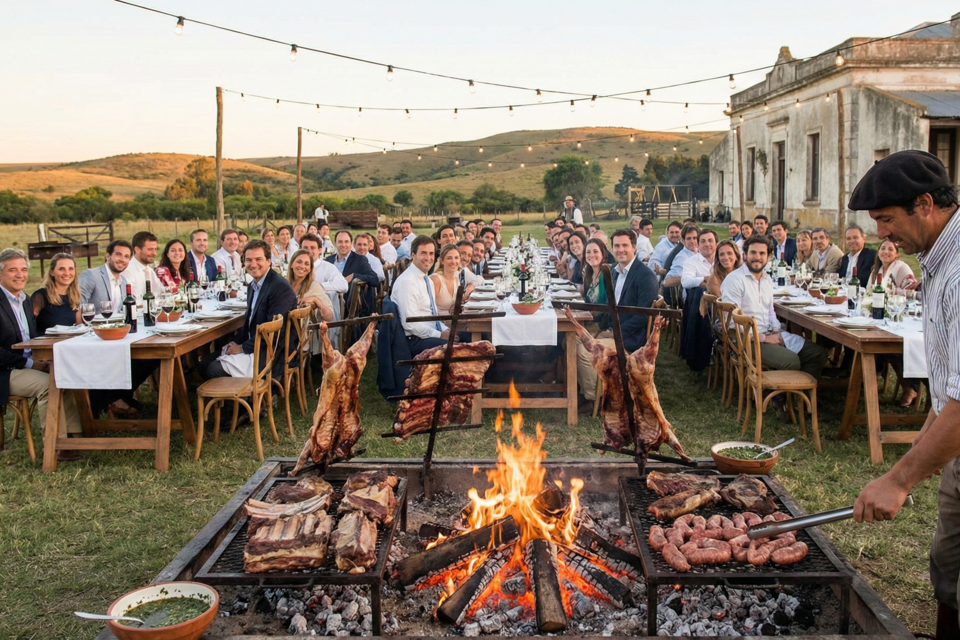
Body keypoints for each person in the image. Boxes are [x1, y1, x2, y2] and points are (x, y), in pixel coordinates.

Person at [845, 151, 960, 638]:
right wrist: (915, 456)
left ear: (926, 204)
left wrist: (899, 480)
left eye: (887, 221)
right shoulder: (937, 260)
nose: (881, 235)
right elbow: (949, 389)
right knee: (947, 564)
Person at [720, 235, 827, 421]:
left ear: (769, 256)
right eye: (753, 252)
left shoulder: (767, 279)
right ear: (744, 255)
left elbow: (770, 312)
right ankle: (780, 399)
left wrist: (778, 332)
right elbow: (732, 323)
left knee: (816, 353)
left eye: (762, 253)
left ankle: (796, 401)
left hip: (770, 334)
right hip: (747, 340)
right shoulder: (735, 280)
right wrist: (765, 338)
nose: (757, 257)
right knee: (792, 361)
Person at [0, 248, 83, 461]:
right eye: (12, 270)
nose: (20, 275)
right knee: (50, 384)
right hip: (7, 370)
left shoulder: (25, 300)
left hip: (29, 361)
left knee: (68, 374)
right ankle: (55, 444)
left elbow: (32, 335)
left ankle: (74, 436)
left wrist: (42, 358)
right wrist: (31, 364)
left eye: (23, 270)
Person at [198, 239, 298, 380]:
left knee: (214, 369)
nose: (253, 264)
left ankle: (245, 400)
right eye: (249, 260)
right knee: (205, 363)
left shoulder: (279, 287)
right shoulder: (253, 286)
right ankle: (236, 397)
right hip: (255, 345)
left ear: (269, 261)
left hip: (271, 353)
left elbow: (274, 333)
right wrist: (236, 343)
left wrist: (242, 348)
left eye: (258, 259)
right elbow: (249, 325)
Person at [392, 235, 451, 356]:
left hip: (430, 332)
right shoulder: (407, 282)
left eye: (431, 253)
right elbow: (409, 324)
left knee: (471, 338)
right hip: (415, 340)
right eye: (423, 253)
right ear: (413, 255)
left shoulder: (427, 280)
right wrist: (440, 335)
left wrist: (446, 330)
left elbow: (432, 314)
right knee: (463, 349)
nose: (428, 258)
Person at [328, 230, 378, 314]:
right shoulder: (328, 260)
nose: (343, 245)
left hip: (347, 306)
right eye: (340, 242)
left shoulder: (359, 260)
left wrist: (354, 276)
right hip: (327, 300)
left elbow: (374, 279)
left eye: (346, 242)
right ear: (335, 243)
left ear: (351, 244)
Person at [31, 253, 80, 335]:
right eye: (61, 269)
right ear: (52, 272)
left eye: (71, 268)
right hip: (45, 345)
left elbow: (79, 327)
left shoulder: (74, 296)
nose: (67, 273)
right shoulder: (41, 296)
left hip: (66, 344)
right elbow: (26, 324)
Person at [79, 239, 131, 314]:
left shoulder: (123, 281)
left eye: (126, 256)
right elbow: (78, 306)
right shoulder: (91, 275)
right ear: (107, 256)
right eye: (118, 254)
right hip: (94, 324)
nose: (122, 260)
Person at [286, 249, 334, 322]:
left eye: (306, 264)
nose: (302, 266)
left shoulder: (314, 286)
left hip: (304, 331)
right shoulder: (284, 285)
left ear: (310, 269)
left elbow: (329, 317)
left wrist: (316, 300)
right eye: (299, 262)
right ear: (292, 264)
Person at [430, 244, 472, 315]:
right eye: (449, 258)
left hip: (452, 321)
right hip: (439, 323)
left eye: (456, 258)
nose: (453, 261)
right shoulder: (436, 280)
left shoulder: (456, 279)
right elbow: (428, 309)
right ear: (442, 261)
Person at [122, 231, 163, 300]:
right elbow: (134, 300)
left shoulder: (150, 271)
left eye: (155, 249)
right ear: (137, 249)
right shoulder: (127, 271)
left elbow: (161, 292)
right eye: (150, 249)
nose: (154, 253)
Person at [663, 224, 700, 289]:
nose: (692, 241)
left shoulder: (700, 252)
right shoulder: (682, 257)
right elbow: (667, 281)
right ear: (683, 241)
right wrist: (687, 278)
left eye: (695, 238)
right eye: (689, 238)